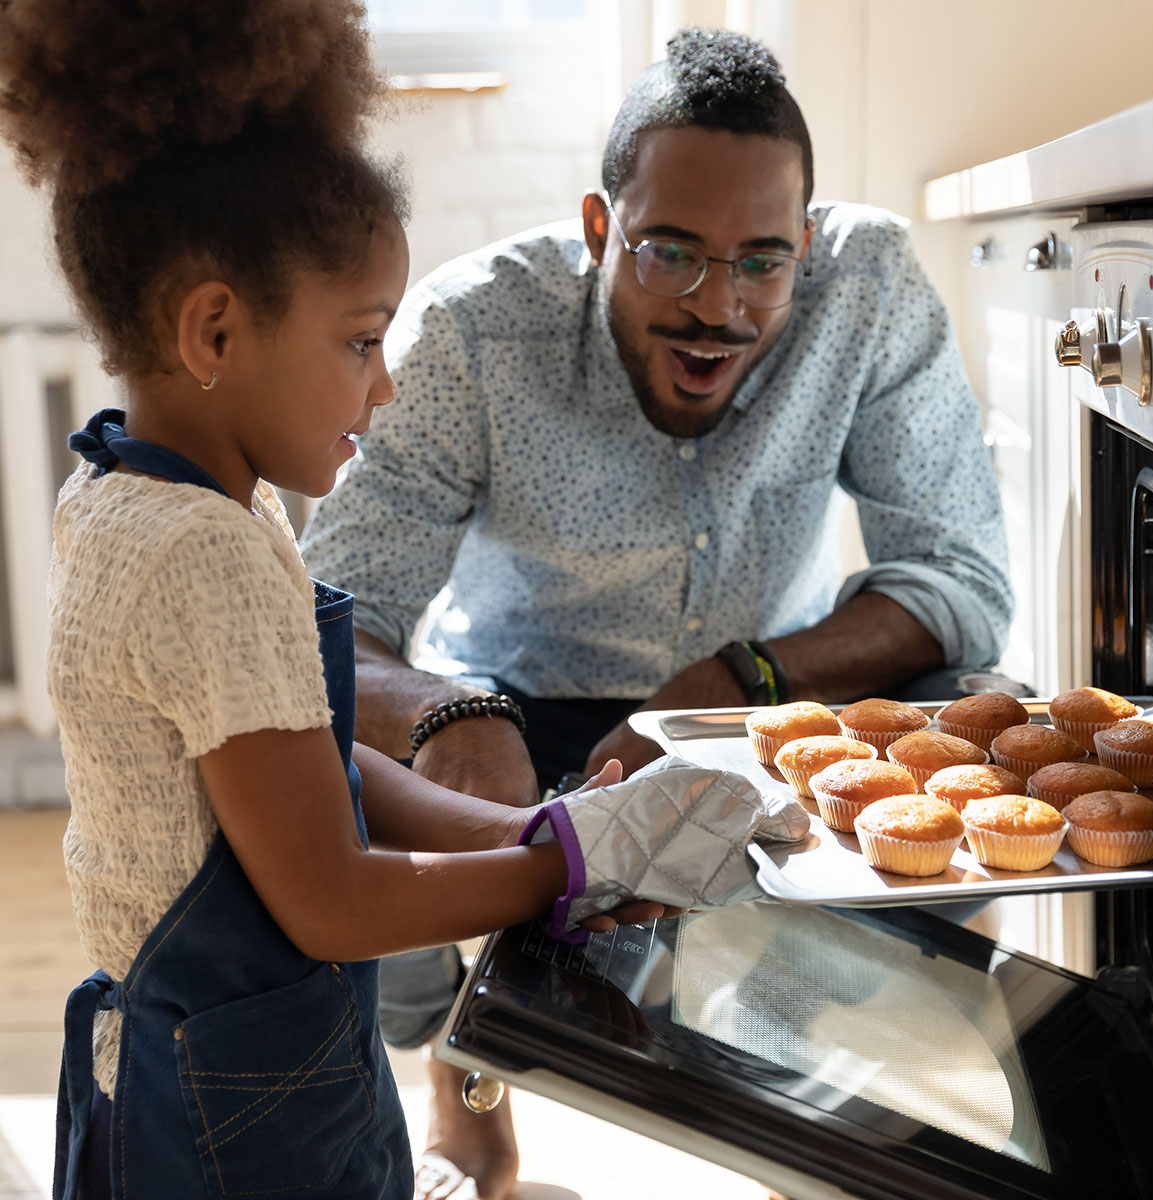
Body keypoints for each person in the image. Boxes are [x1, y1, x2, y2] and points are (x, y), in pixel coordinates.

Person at [0, 6, 802, 1197]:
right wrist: (572, 869)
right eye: (362, 341)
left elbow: (301, 763)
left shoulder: (151, 496)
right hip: (238, 1115)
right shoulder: (202, 556)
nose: (384, 388)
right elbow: (327, 895)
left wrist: (536, 833)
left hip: (242, 1056)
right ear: (214, 328)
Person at [300, 23, 1013, 1200]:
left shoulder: (869, 288)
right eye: (671, 252)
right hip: (517, 716)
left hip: (766, 706)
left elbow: (959, 581)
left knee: (978, 711)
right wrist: (448, 711)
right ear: (599, 231)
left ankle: (815, 1083)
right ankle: (466, 1083)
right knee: (320, 774)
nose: (718, 308)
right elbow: (333, 616)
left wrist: (737, 682)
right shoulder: (470, 333)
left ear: (810, 245)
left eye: (762, 262)